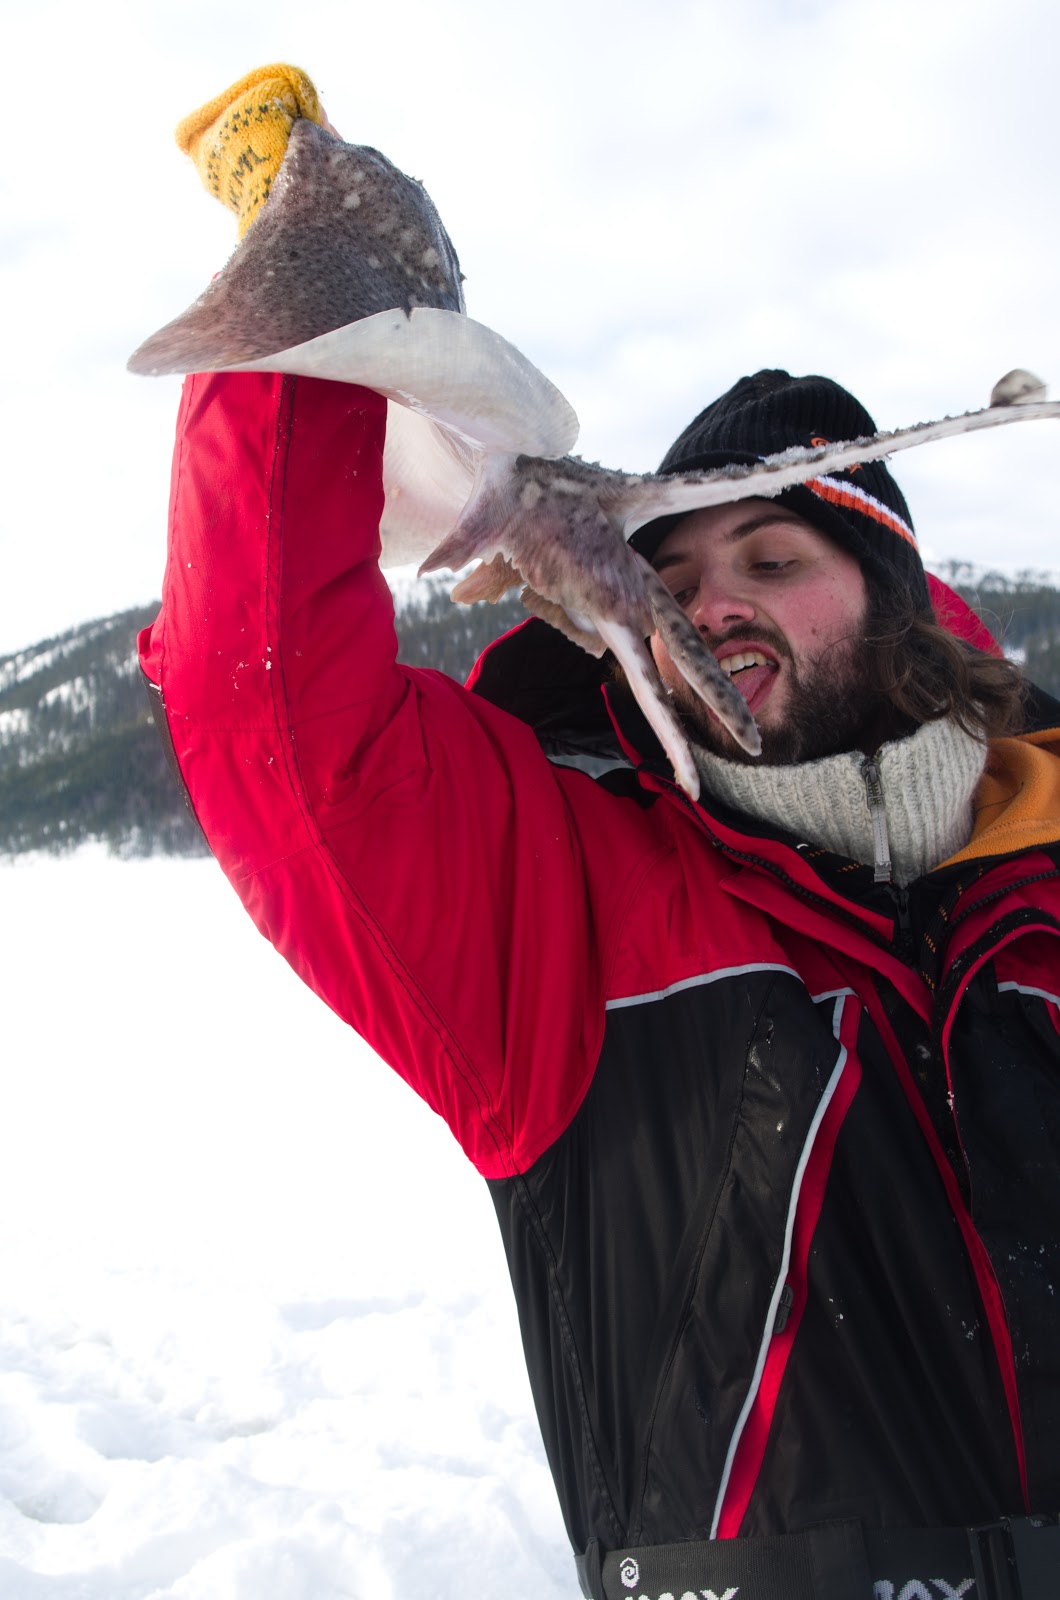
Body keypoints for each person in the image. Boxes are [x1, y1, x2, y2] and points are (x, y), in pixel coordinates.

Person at [140, 69, 1060, 1600]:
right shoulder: (581, 910)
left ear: (901, 602)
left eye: (776, 556)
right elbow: (282, 714)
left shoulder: (1038, 883)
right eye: (673, 573)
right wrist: (327, 309)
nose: (716, 604)